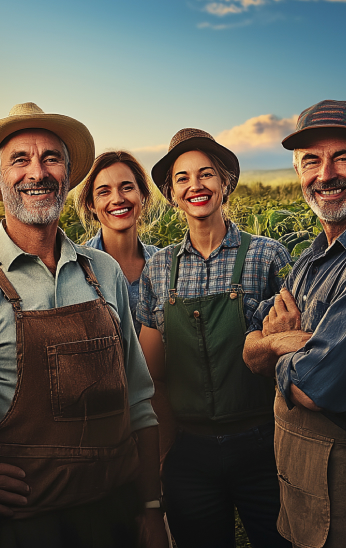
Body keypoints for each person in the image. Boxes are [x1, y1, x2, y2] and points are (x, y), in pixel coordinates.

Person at [0, 102, 168, 548]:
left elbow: (139, 399)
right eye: (19, 159)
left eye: (50, 158)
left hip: (114, 517)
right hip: (19, 528)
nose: (36, 172)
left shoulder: (104, 272)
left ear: (68, 174)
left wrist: (152, 508)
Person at [137, 128, 292, 548]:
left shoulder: (267, 255)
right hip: (191, 453)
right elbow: (153, 376)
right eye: (182, 179)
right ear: (171, 194)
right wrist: (165, 456)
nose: (195, 186)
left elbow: (292, 349)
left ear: (225, 182)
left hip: (263, 446)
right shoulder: (158, 270)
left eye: (206, 174)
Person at [243, 100, 346, 548]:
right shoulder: (311, 258)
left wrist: (270, 350)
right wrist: (279, 344)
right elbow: (252, 337)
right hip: (304, 487)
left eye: (342, 156)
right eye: (311, 161)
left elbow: (318, 387)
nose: (325, 174)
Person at [74, 151, 159, 335]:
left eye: (127, 188)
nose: (118, 199)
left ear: (142, 194)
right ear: (91, 204)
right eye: (104, 192)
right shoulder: (76, 267)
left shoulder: (164, 264)